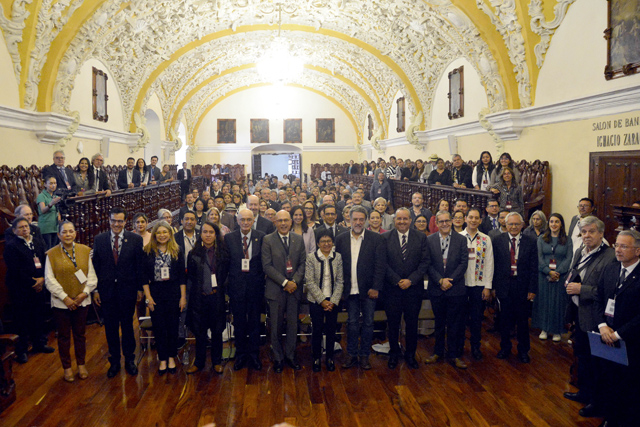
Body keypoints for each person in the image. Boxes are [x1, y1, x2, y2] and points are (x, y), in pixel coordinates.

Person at [563, 216, 615, 416]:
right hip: (578, 313)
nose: (587, 236)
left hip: (597, 318)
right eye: (584, 232)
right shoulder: (579, 251)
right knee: (582, 357)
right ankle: (584, 392)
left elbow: (607, 291)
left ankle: (597, 402)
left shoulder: (609, 256)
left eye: (591, 231)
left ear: (601, 234)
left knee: (597, 362)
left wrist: (581, 289)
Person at [594, 230, 640, 427]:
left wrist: (619, 334)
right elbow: (598, 298)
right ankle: (610, 417)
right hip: (606, 337)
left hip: (631, 341)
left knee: (629, 384)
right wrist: (603, 326)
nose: (618, 250)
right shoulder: (611, 268)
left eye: (624, 246)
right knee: (609, 379)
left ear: (637, 250)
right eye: (616, 245)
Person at [92, 207, 144, 378]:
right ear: (109, 220)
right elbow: (96, 267)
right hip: (107, 292)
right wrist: (96, 290)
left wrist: (139, 288)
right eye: (114, 220)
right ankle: (114, 361)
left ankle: (130, 359)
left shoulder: (135, 239)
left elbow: (139, 267)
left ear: (125, 222)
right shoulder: (99, 240)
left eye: (120, 221)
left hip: (127, 290)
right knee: (111, 328)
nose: (116, 224)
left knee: (128, 326)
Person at [44, 221, 97, 382]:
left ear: (75, 233)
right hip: (61, 303)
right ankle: (67, 367)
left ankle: (81, 364)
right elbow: (49, 279)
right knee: (64, 336)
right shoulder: (51, 254)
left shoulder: (85, 251)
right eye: (64, 232)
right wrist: (65, 298)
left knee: (80, 335)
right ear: (59, 235)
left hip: (82, 300)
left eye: (71, 231)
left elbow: (92, 276)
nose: (68, 234)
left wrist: (84, 294)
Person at [335, 206, 386, 370]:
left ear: (366, 220)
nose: (358, 222)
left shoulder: (375, 239)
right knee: (351, 323)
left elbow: (380, 265)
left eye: (361, 219)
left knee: (369, 323)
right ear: (349, 219)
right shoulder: (341, 239)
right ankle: (351, 354)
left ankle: (364, 356)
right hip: (349, 290)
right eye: (355, 219)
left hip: (369, 290)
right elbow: (337, 266)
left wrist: (376, 287)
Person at [382, 208, 429, 369]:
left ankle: (410, 355)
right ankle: (393, 354)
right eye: (399, 219)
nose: (402, 222)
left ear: (411, 220)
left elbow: (424, 263)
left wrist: (411, 280)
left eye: (405, 219)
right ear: (394, 221)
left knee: (411, 324)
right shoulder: (385, 237)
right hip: (392, 290)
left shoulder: (421, 237)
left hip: (413, 289)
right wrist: (397, 280)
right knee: (393, 324)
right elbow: (383, 263)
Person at [262, 210, 307, 373]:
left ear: (291, 222)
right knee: (275, 326)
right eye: (279, 220)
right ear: (274, 222)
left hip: (294, 290)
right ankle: (278, 358)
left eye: (286, 220)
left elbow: (303, 263)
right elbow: (266, 266)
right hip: (276, 290)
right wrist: (284, 282)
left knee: (293, 325)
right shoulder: (268, 240)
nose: (283, 223)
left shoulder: (298, 239)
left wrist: (294, 282)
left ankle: (290, 355)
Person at [4, 217, 53, 364]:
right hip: (21, 289)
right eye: (21, 227)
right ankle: (22, 351)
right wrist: (34, 282)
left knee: (38, 315)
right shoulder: (11, 246)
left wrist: (43, 279)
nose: (25, 229)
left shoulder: (37, 241)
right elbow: (15, 270)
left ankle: (39, 343)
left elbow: (44, 262)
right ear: (14, 231)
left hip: (38, 286)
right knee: (22, 320)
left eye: (26, 226)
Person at [425, 210, 469, 369]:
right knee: (438, 323)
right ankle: (437, 352)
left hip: (455, 288)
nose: (444, 224)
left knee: (455, 323)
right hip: (437, 288)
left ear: (452, 221)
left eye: (447, 221)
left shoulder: (461, 239)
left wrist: (450, 281)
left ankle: (454, 355)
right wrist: (439, 280)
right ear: (436, 223)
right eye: (441, 221)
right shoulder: (429, 240)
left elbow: (464, 263)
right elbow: (427, 263)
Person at [493, 212, 538, 363]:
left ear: (522, 225)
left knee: (523, 321)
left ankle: (524, 351)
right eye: (510, 224)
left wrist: (532, 289)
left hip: (522, 286)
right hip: (504, 285)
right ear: (505, 225)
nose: (513, 227)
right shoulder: (498, 240)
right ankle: (505, 348)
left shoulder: (531, 241)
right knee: (504, 320)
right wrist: (493, 287)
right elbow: (494, 266)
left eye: (516, 224)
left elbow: (534, 267)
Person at [143, 221, 187, 375]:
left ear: (170, 234)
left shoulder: (177, 250)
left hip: (173, 291)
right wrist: (148, 297)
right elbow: (143, 277)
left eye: (165, 232)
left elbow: (182, 276)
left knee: (173, 327)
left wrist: (183, 297)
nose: (162, 235)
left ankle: (171, 357)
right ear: (155, 234)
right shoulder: (148, 251)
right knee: (159, 327)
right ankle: (162, 358)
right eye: (159, 232)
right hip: (156, 292)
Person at [223, 210, 265, 371]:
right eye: (242, 220)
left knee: (255, 323)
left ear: (253, 220)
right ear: (237, 220)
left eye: (249, 219)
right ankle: (240, 355)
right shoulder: (229, 238)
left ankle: (254, 355)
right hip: (236, 288)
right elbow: (226, 263)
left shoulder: (261, 237)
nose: (246, 222)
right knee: (239, 323)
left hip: (255, 287)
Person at [305, 229, 344, 372]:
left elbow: (340, 281)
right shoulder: (311, 257)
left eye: (329, 241)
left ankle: (330, 357)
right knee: (317, 329)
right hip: (316, 300)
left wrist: (332, 301)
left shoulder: (338, 257)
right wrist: (322, 300)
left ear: (332, 242)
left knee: (331, 330)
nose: (326, 244)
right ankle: (316, 357)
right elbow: (309, 281)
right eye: (323, 241)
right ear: (317, 243)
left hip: (333, 300)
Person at [460, 208, 494, 360]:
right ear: (465, 218)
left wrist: (488, 286)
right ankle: (458, 346)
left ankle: (475, 347)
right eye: (471, 217)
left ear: (480, 220)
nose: (473, 220)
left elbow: (489, 263)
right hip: (461, 284)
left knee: (476, 318)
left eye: (476, 218)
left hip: (479, 285)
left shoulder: (486, 239)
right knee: (459, 318)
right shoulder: (458, 237)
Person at [532, 213, 572, 342]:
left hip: (560, 277)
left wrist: (558, 272)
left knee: (557, 303)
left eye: (557, 222)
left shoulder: (567, 239)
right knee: (544, 302)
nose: (553, 224)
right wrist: (548, 271)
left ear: (561, 224)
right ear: (548, 224)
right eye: (551, 222)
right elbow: (539, 257)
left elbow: (568, 258)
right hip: (543, 275)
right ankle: (544, 328)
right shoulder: (541, 238)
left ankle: (556, 330)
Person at [37, 175, 62, 250]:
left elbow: (57, 211)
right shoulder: (41, 196)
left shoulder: (55, 196)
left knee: (56, 249)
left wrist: (60, 220)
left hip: (55, 226)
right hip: (46, 227)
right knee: (48, 250)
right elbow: (43, 210)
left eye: (55, 183)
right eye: (51, 183)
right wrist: (51, 204)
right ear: (45, 184)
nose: (53, 185)